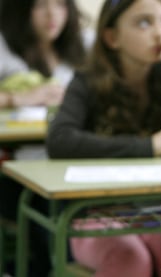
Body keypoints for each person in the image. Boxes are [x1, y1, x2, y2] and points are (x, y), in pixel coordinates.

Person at [46, 0, 161, 276]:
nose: (160, 33)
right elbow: (60, 140)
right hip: (95, 214)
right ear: (112, 37)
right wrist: (147, 146)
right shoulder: (87, 81)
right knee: (128, 257)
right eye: (144, 22)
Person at [0, 0, 91, 275]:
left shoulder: (85, 45)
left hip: (74, 154)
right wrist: (19, 97)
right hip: (18, 159)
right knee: (42, 199)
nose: (52, 15)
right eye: (40, 6)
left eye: (61, 5)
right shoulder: (5, 47)